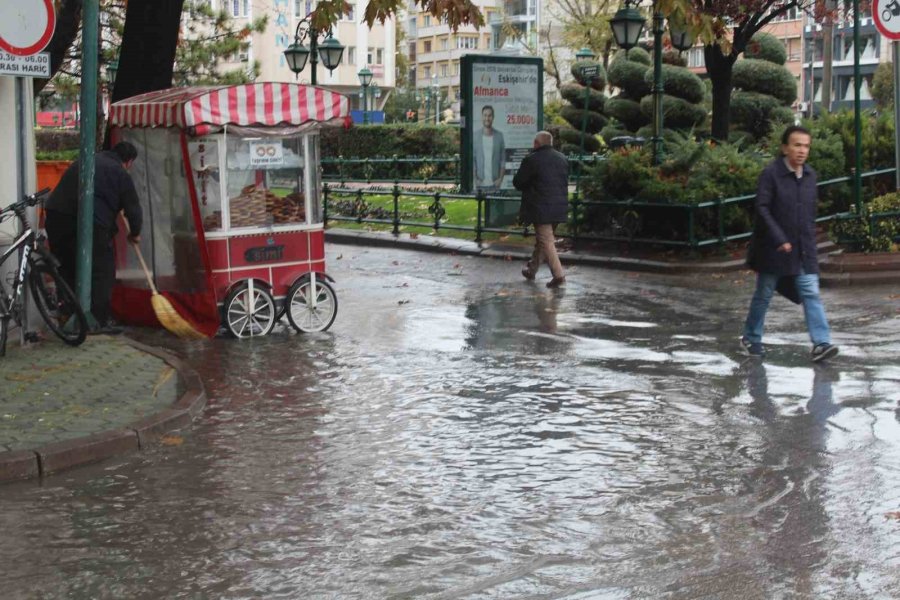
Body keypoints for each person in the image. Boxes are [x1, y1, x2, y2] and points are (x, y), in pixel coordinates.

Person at [741, 125, 838, 362]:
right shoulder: (771, 174)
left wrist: (810, 243)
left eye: (806, 146)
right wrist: (779, 238)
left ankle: (821, 343)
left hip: (803, 249)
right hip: (773, 250)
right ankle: (751, 338)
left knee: (811, 293)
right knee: (764, 294)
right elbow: (762, 209)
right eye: (797, 145)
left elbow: (809, 214)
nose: (802, 150)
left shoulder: (810, 176)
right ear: (785, 148)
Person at [44, 141, 143, 333]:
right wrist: (135, 234)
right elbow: (133, 209)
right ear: (129, 162)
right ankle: (96, 320)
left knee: (66, 267)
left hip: (57, 218)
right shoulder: (121, 174)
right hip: (91, 224)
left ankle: (69, 313)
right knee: (102, 272)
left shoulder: (86, 160)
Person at [513, 131, 568, 288]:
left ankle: (559, 275)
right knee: (542, 241)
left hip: (540, 207)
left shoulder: (532, 160)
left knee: (546, 241)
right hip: (559, 206)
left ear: (537, 143)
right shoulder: (562, 158)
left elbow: (519, 182)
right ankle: (531, 270)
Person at [473, 105, 505, 191]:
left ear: (493, 117)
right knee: (480, 204)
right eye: (485, 115)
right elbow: (473, 159)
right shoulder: (475, 136)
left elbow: (503, 160)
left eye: (490, 115)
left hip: (495, 183)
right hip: (480, 183)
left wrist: (500, 179)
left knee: (496, 204)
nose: (487, 118)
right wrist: (475, 179)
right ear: (482, 116)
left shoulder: (499, 136)